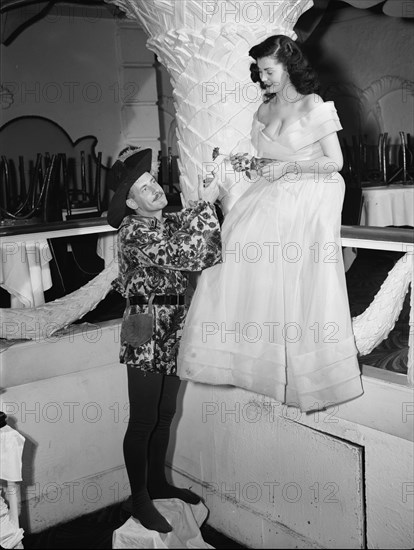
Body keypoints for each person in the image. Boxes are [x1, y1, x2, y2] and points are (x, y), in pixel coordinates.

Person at [177, 35, 364, 413]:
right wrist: (253, 165)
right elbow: (264, 161)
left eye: (269, 70)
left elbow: (335, 163)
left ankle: (306, 364)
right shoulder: (262, 112)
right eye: (259, 71)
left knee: (287, 261)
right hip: (269, 191)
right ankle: (254, 352)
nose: (263, 78)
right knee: (238, 249)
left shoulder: (315, 106)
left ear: (289, 66)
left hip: (312, 188)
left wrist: (289, 167)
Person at [107, 147, 221, 533]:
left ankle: (157, 483)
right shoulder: (133, 230)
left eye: (152, 181)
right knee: (142, 420)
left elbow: (193, 220)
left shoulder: (166, 221)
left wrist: (208, 193)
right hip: (145, 325)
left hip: (174, 323)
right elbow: (197, 252)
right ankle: (139, 498)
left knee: (165, 415)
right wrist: (205, 206)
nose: (154, 189)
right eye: (143, 188)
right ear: (130, 202)